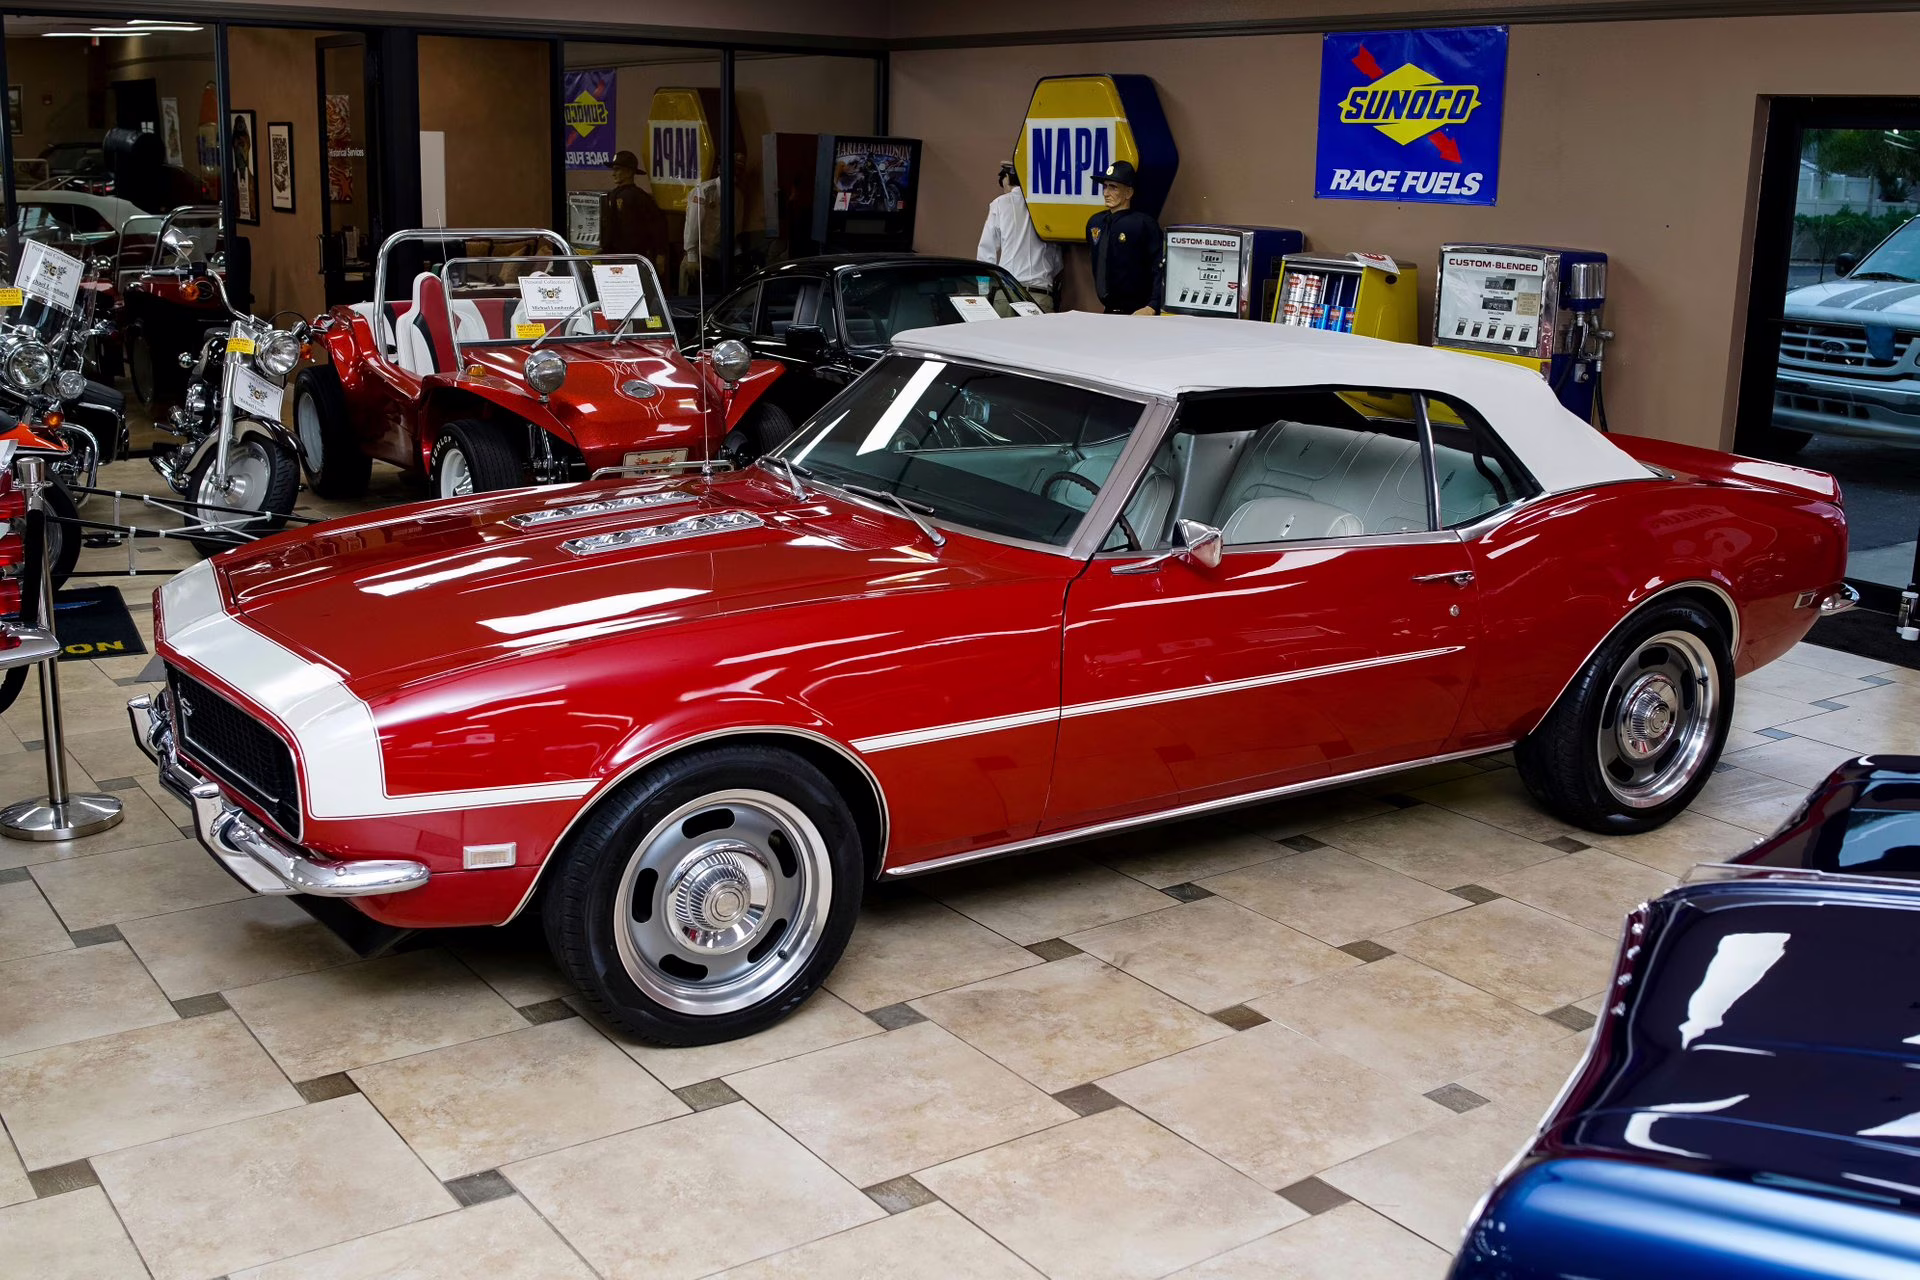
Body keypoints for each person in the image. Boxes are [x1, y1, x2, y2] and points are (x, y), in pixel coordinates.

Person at [978, 161, 1062, 312]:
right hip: (1040, 294)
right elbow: (1057, 263)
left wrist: (983, 292)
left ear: (1007, 179)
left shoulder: (1000, 203)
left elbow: (986, 252)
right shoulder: (1049, 206)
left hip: (1007, 292)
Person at [1084, 160, 1162, 315]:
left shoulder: (1143, 224)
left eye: (1113, 187)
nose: (1106, 193)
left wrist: (1153, 305)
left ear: (1129, 193)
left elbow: (1160, 267)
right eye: (1105, 187)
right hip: (1109, 310)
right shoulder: (1096, 223)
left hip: (1139, 311)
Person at [600, 149, 670, 277]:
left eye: (617, 169)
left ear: (628, 172)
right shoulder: (613, 195)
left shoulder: (640, 197)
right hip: (614, 256)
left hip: (634, 258)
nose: (613, 174)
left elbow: (657, 225)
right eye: (614, 170)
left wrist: (660, 253)